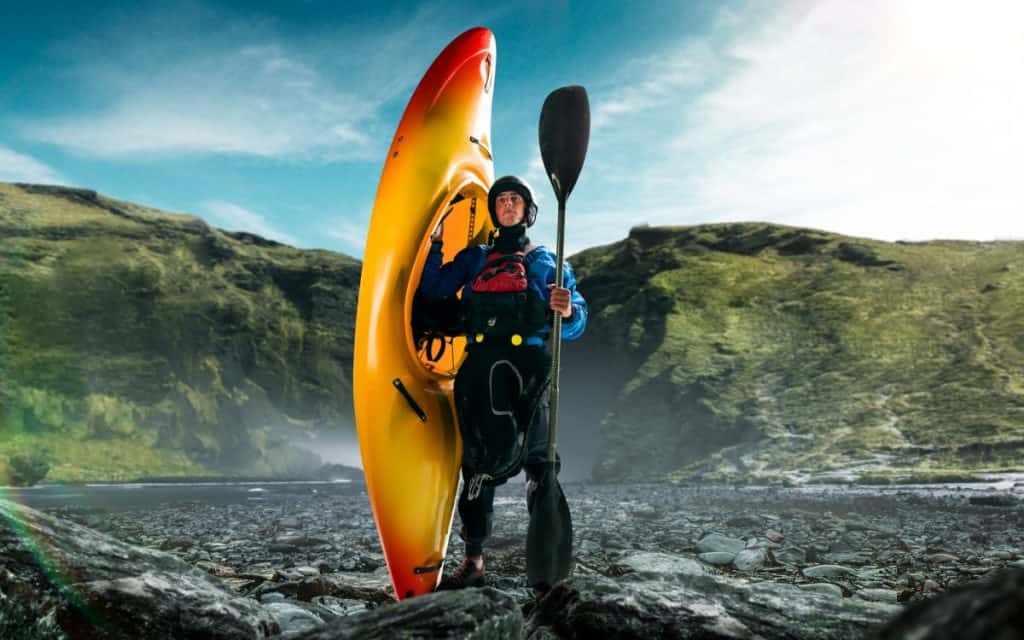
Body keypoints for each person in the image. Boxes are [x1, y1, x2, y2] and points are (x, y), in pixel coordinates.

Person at [417, 175, 587, 590]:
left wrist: (567, 312)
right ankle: (473, 561)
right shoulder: (475, 257)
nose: (508, 205)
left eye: (516, 200)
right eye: (502, 200)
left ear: (528, 211)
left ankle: (548, 570)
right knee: (477, 466)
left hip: (528, 372)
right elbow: (433, 289)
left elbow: (577, 322)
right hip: (480, 369)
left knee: (541, 465)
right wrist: (435, 244)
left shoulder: (547, 261)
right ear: (493, 211)